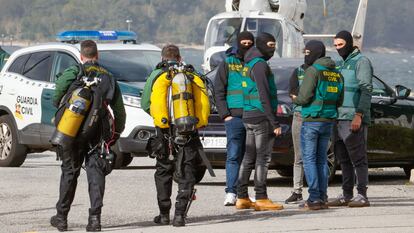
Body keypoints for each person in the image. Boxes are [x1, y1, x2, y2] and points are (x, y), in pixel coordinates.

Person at [50, 40, 126, 232]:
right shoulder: (108, 76)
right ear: (97, 55)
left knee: (69, 172)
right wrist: (115, 135)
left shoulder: (73, 72)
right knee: (96, 173)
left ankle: (61, 218)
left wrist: (63, 111)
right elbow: (119, 111)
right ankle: (94, 220)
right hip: (97, 134)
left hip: (71, 132)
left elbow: (56, 94)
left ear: (81, 56)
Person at [142, 44, 211, 227]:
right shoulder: (191, 75)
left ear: (162, 58)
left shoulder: (157, 75)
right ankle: (179, 216)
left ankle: (164, 214)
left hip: (165, 131)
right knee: (187, 170)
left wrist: (161, 118)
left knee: (164, 170)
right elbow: (204, 102)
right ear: (180, 58)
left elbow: (145, 103)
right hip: (188, 129)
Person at [293, 40, 344, 210]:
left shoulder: (313, 71)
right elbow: (340, 99)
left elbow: (305, 97)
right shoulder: (336, 73)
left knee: (308, 159)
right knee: (322, 159)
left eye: (307, 53)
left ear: (314, 53)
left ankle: (314, 198)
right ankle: (322, 197)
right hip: (328, 120)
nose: (306, 56)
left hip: (312, 120)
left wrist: (296, 99)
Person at [235, 32, 284, 211]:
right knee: (262, 159)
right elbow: (264, 95)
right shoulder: (260, 65)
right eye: (270, 45)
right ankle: (261, 197)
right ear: (262, 45)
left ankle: (241, 197)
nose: (273, 48)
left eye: (274, 45)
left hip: (249, 115)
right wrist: (275, 122)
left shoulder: (248, 63)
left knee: (248, 157)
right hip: (261, 116)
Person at [328, 30, 373, 208]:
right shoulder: (340, 64)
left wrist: (359, 115)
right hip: (338, 118)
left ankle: (362, 195)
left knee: (358, 159)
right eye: (335, 46)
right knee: (343, 159)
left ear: (348, 43)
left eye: (341, 45)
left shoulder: (361, 62)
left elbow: (366, 89)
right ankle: (347, 194)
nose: (338, 48)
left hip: (353, 118)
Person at [214, 31, 254, 206]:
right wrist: (225, 115)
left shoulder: (255, 63)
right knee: (233, 155)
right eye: (243, 42)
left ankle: (242, 193)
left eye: (249, 42)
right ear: (238, 43)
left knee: (249, 157)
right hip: (234, 118)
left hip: (253, 115)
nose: (246, 45)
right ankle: (231, 192)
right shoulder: (228, 63)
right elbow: (218, 90)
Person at [284, 62, 308, 204]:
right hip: (299, 115)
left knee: (316, 157)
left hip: (316, 117)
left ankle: (318, 192)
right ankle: (297, 191)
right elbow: (292, 92)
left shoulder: (321, 71)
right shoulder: (298, 70)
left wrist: (301, 95)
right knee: (298, 156)